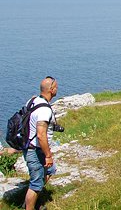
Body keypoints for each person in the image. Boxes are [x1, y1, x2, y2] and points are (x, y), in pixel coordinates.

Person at [23, 76, 59, 210]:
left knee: (51, 170)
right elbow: (41, 134)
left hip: (31, 147)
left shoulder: (32, 101)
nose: (57, 89)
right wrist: (48, 155)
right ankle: (29, 207)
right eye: (56, 87)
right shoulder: (44, 110)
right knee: (35, 184)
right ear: (51, 89)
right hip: (35, 150)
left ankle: (30, 202)